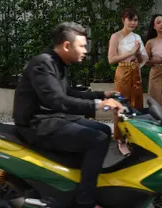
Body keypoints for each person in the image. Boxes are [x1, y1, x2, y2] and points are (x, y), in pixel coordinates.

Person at [13, 21, 123, 208]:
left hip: (51, 118)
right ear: (66, 45)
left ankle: (74, 182)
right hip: (37, 124)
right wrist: (99, 105)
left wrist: (100, 95)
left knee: (104, 130)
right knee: (96, 139)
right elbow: (58, 101)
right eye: (82, 46)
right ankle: (84, 201)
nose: (85, 50)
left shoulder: (57, 63)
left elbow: (68, 93)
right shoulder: (43, 63)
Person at [108, 8, 148, 156]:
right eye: (130, 19)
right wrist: (130, 53)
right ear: (123, 20)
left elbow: (144, 58)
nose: (133, 23)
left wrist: (136, 53)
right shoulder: (116, 36)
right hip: (122, 72)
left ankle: (133, 137)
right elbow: (111, 59)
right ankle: (120, 139)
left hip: (135, 72)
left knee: (136, 105)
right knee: (121, 105)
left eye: (135, 20)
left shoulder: (137, 37)